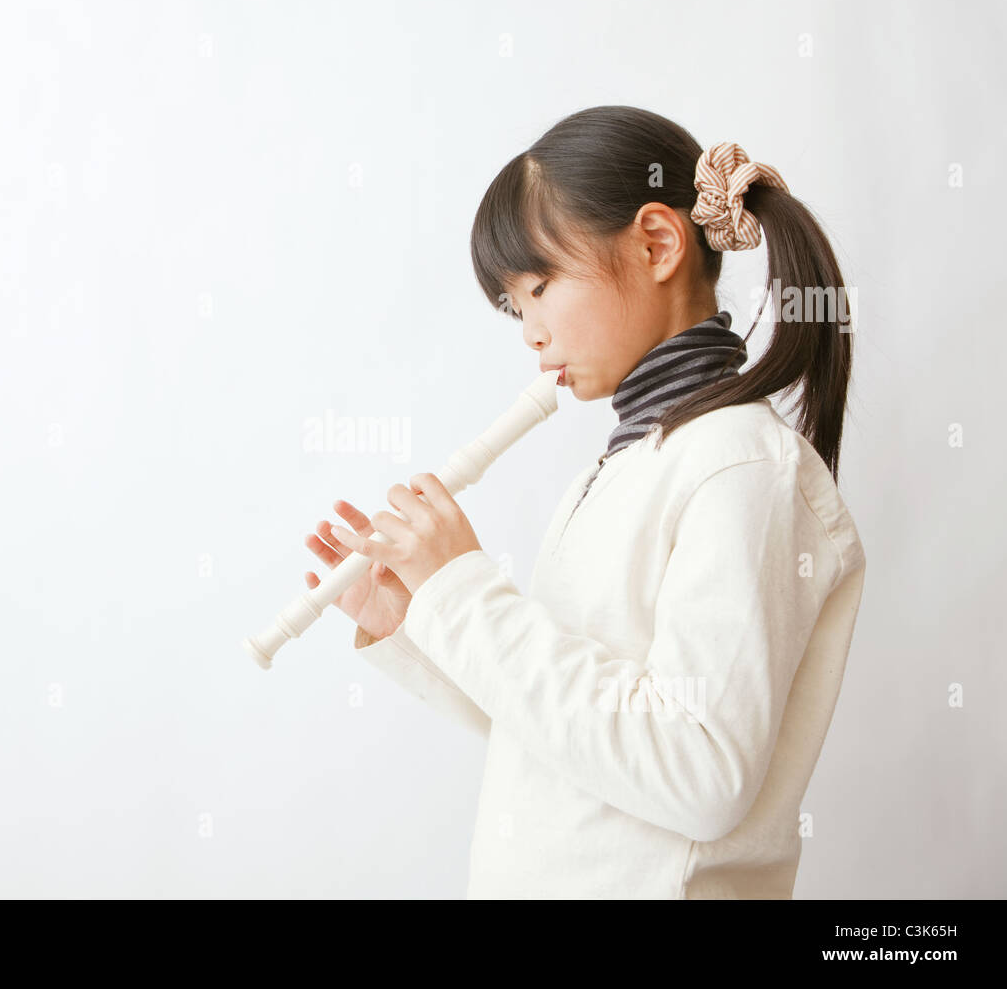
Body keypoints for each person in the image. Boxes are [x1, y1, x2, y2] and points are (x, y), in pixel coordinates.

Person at [303, 105, 865, 899]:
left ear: (658, 244)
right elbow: (570, 743)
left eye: (538, 287)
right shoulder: (628, 464)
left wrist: (464, 592)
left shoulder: (739, 466)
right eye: (514, 306)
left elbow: (700, 773)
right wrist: (419, 619)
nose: (530, 330)